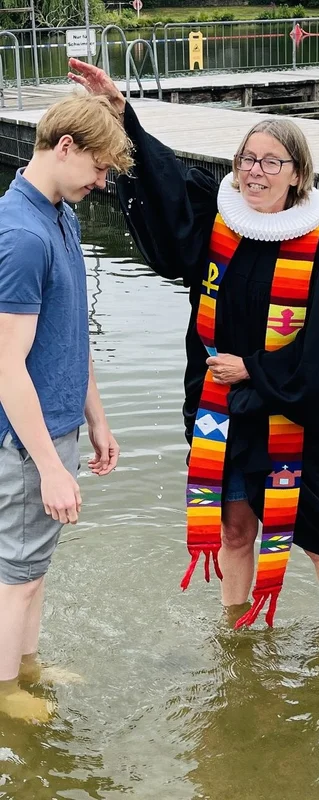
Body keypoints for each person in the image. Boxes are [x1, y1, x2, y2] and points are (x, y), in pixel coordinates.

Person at [68, 59, 319, 630]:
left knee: (314, 528)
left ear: (297, 174)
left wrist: (253, 368)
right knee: (233, 526)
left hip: (286, 412)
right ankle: (237, 634)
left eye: (271, 163)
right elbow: (165, 177)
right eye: (247, 160)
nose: (256, 173)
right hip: (216, 407)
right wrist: (121, 112)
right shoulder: (219, 221)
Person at [0, 93, 133, 722]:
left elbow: (70, 333)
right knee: (15, 573)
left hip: (60, 423)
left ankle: (25, 668)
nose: (102, 182)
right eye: (99, 168)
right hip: (28, 439)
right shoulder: (21, 234)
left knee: (34, 566)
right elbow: (6, 365)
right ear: (65, 146)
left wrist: (97, 419)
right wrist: (50, 465)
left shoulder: (61, 216)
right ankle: (5, 695)